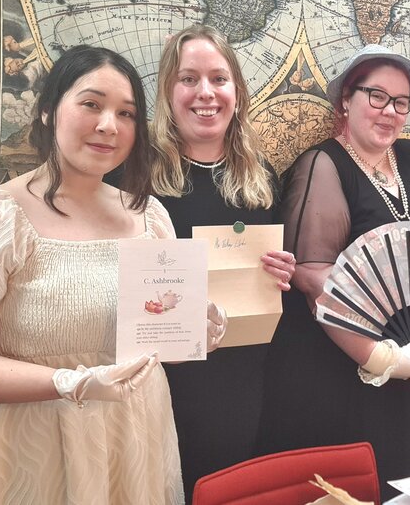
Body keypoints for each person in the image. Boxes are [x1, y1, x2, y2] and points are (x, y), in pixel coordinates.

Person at [257, 44, 410, 497]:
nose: (389, 112)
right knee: (368, 481)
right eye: (376, 96)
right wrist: (381, 358)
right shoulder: (323, 165)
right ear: (346, 99)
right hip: (350, 366)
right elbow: (313, 275)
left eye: (400, 102)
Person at [0, 46, 186, 503]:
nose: (109, 125)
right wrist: (69, 383)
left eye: (126, 113)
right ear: (49, 111)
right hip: (38, 441)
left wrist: (194, 322)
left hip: (136, 435)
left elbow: (156, 341)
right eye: (91, 104)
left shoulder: (150, 216)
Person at [147, 25, 295, 503]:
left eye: (219, 78)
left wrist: (280, 271)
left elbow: (271, 277)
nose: (205, 93)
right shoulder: (135, 173)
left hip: (241, 375)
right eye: (188, 78)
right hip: (161, 380)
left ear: (237, 91)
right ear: (169, 91)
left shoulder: (259, 175)